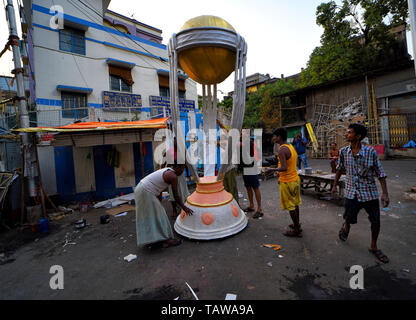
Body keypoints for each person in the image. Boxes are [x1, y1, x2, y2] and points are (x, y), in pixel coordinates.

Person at [332, 123, 390, 263]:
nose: (346, 134)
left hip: (369, 193)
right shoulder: (344, 152)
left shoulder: (371, 153)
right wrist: (334, 185)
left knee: (375, 221)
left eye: (349, 132)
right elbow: (339, 169)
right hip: (352, 192)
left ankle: (374, 247)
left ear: (358, 136)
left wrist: (385, 193)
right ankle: (346, 226)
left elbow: (380, 173)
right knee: (349, 218)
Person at [134, 164, 193, 248]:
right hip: (145, 191)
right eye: (183, 168)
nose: (182, 171)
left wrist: (159, 202)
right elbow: (176, 196)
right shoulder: (173, 176)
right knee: (160, 214)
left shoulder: (167, 171)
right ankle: (166, 240)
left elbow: (159, 187)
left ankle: (154, 240)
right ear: (178, 167)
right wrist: (184, 208)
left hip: (142, 189)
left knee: (151, 215)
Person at [268, 128, 303, 237]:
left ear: (279, 137)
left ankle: (297, 230)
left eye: (275, 136)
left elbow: (283, 168)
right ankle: (297, 224)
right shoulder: (290, 147)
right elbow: (290, 164)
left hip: (287, 182)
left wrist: (271, 169)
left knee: (291, 206)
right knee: (296, 204)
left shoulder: (282, 150)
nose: (273, 138)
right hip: (295, 179)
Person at [240, 131, 263, 219]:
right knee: (248, 187)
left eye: (244, 134)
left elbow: (238, 144)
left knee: (255, 188)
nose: (242, 135)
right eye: (242, 134)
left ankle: (260, 209)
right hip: (245, 169)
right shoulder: (243, 143)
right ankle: (252, 206)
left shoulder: (249, 143)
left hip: (252, 168)